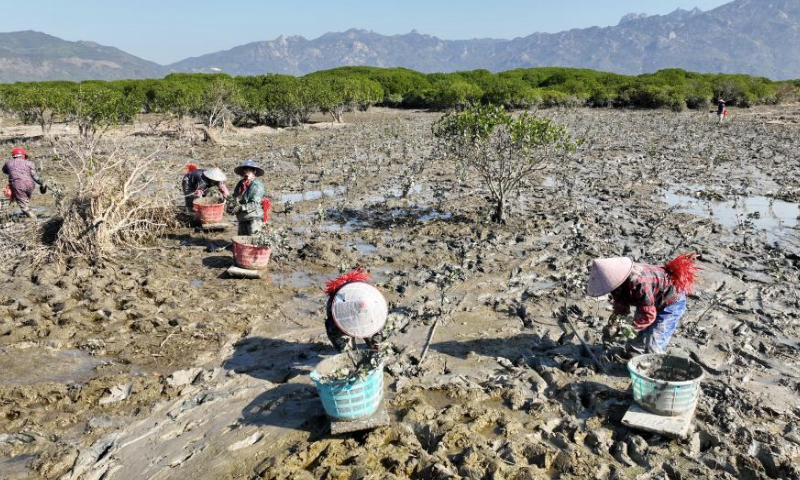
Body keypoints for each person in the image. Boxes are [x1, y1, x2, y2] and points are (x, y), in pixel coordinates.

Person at [587, 254, 700, 354]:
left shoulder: (638, 282)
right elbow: (621, 306)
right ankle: (633, 357)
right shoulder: (617, 283)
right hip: (650, 300)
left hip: (672, 301)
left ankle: (653, 369)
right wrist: (616, 324)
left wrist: (629, 329)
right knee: (634, 342)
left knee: (654, 343)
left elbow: (648, 315)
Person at [324, 269, 387, 352]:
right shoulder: (335, 304)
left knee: (376, 336)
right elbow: (331, 324)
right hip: (341, 314)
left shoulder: (374, 304)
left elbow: (377, 324)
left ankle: (372, 342)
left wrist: (376, 344)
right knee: (347, 351)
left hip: (366, 309)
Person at [3, 147, 46, 219]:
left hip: (17, 184)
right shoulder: (29, 163)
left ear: (14, 156)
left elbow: (5, 171)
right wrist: (41, 182)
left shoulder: (8, 163)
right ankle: (27, 213)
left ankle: (34, 220)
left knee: (24, 206)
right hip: (30, 184)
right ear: (23, 156)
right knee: (25, 200)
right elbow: (35, 176)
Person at [231, 159, 266, 236]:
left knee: (254, 241)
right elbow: (235, 196)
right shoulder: (240, 183)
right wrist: (231, 205)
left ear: (254, 172)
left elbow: (255, 204)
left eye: (249, 171)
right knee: (242, 240)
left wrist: (240, 207)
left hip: (254, 217)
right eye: (245, 171)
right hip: (242, 217)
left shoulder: (257, 186)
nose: (246, 173)